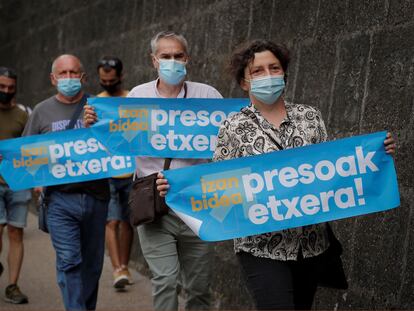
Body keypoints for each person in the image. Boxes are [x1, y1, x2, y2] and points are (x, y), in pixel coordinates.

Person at [157, 40, 396, 310]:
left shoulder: (310, 117)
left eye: (274, 68)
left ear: (284, 74)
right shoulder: (233, 126)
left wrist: (377, 153)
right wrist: (176, 189)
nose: (268, 75)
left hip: (311, 244)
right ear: (244, 82)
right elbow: (217, 185)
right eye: (257, 71)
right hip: (260, 247)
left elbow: (334, 168)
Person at [84, 31, 222, 311]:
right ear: (154, 60)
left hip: (197, 206)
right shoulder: (138, 96)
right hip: (154, 204)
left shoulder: (208, 95)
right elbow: (118, 143)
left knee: (199, 287)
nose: (172, 61)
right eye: (165, 56)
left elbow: (227, 143)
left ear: (187, 58)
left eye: (178, 56)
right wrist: (96, 126)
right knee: (165, 280)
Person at [23, 54, 110, 311]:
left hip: (97, 197)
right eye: (63, 74)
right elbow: (27, 155)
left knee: (92, 265)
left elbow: (118, 149)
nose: (69, 78)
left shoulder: (100, 108)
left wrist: (99, 127)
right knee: (69, 261)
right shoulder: (41, 111)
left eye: (74, 73)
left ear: (83, 77)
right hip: (59, 200)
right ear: (53, 79)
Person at [97, 56, 134, 289]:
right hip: (106, 171)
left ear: (120, 77)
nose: (107, 84)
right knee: (111, 220)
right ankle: (117, 269)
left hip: (131, 170)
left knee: (129, 221)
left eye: (111, 80)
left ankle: (125, 265)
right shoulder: (95, 103)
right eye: (103, 81)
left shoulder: (133, 99)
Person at [0, 66, 31, 304]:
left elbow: (34, 147)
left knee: (15, 232)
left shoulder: (24, 114)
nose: (6, 91)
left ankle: (13, 285)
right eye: (2, 87)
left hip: (18, 181)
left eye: (10, 88)